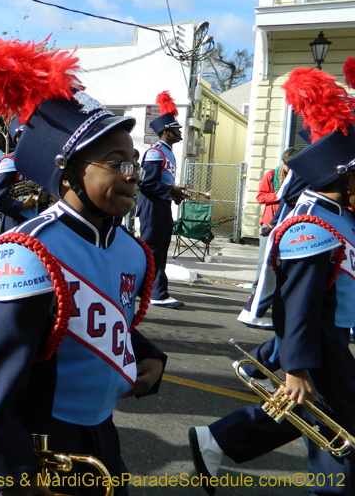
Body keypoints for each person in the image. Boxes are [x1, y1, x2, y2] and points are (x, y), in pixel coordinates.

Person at [0, 37, 166, 495]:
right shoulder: (28, 250)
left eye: (134, 161)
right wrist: (15, 477)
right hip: (41, 442)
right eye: (117, 163)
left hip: (102, 435)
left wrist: (148, 354)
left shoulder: (132, 250)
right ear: (69, 171)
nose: (134, 174)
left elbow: (98, 318)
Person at [190, 66, 355, 496]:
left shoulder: (340, 217)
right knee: (336, 426)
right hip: (320, 341)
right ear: (344, 175)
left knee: (324, 416)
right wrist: (295, 367)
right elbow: (296, 303)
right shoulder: (314, 223)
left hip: (332, 335)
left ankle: (217, 440)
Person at [137, 91, 187, 309]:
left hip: (161, 204)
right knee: (153, 250)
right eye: (176, 129)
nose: (180, 132)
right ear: (167, 132)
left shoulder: (167, 152)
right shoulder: (155, 152)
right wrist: (171, 190)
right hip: (152, 206)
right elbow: (146, 183)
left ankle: (151, 290)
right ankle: (156, 293)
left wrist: (174, 193)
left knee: (160, 248)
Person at [250, 147, 299, 295]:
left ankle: (278, 291)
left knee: (284, 260)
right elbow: (260, 197)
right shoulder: (271, 175)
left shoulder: (299, 177)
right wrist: (279, 195)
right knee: (264, 260)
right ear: (283, 162)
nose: (291, 170)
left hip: (288, 223)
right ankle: (257, 291)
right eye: (288, 166)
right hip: (269, 222)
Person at [0, 118, 39, 233]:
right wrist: (20, 206)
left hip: (37, 219)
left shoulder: (38, 161)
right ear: (18, 139)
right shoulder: (10, 161)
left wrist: (44, 197)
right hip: (15, 221)